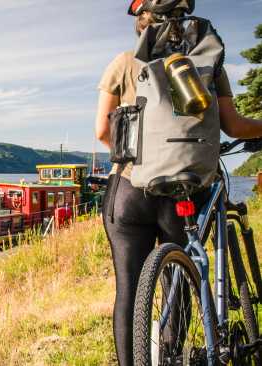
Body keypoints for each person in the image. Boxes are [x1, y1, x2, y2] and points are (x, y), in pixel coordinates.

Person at [94, 1, 262, 365]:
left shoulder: (124, 63)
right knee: (180, 279)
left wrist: (137, 159)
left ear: (142, 25)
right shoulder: (205, 64)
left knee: (129, 290)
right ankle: (171, 355)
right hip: (188, 190)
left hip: (129, 190)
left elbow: (102, 131)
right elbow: (234, 126)